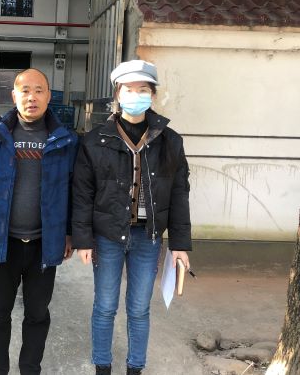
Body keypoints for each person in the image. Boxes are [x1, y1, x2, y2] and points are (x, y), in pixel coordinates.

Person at [71, 60, 192, 375]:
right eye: (128, 89)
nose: (135, 95)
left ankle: (135, 368)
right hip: (107, 236)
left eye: (143, 89)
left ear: (153, 95)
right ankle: (102, 367)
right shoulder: (94, 140)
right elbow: (82, 193)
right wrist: (83, 239)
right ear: (117, 93)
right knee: (105, 307)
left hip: (147, 237)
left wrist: (180, 244)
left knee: (139, 309)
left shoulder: (170, 141)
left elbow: (179, 193)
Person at [0, 68, 79, 374]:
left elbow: (74, 189)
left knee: (37, 314)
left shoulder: (67, 140)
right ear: (14, 96)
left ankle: (30, 369)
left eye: (39, 90)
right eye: (25, 90)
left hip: (45, 242)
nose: (32, 97)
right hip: (2, 241)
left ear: (49, 96)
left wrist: (69, 231)